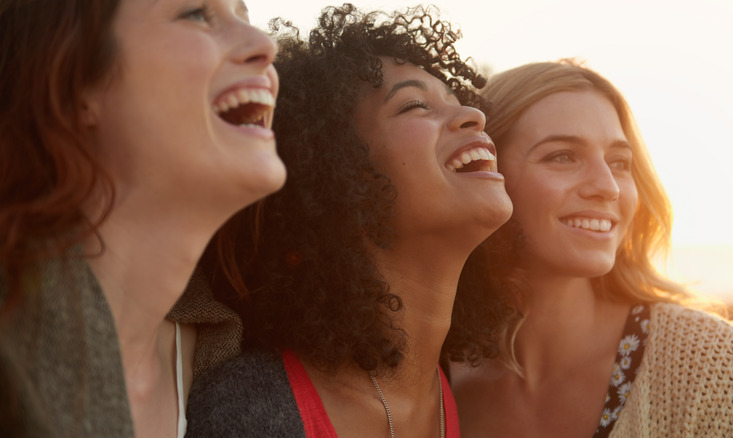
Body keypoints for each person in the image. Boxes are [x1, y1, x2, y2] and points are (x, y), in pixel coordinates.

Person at [185, 4, 513, 437]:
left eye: (455, 101)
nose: (475, 117)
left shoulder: (461, 397)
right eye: (415, 105)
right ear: (338, 173)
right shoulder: (253, 411)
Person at [449, 59, 733, 437]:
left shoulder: (705, 360)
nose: (607, 186)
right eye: (562, 156)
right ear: (487, 173)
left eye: (619, 162)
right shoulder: (426, 374)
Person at [0, 0, 284, 436]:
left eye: (245, 16)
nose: (266, 45)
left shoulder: (229, 366)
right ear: (77, 83)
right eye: (195, 13)